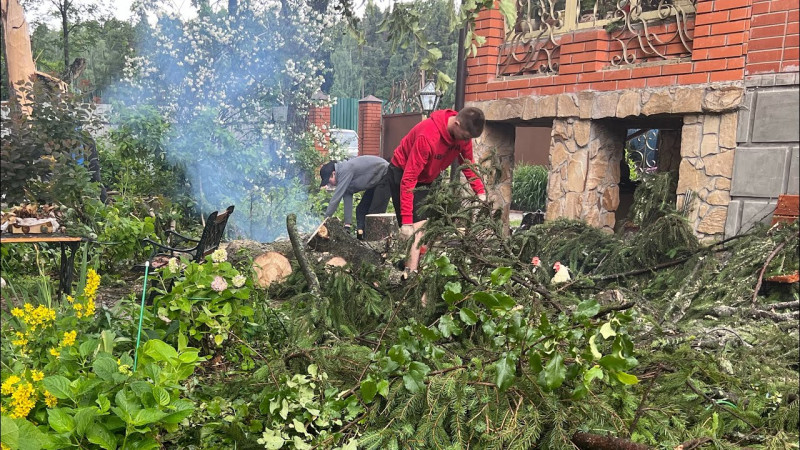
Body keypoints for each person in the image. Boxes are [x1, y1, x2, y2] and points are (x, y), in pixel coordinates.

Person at [388, 106, 487, 272]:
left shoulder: (463, 137)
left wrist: (480, 192)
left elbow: (468, 164)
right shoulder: (427, 136)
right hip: (402, 173)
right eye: (465, 137)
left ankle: (408, 267)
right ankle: (411, 279)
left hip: (427, 177)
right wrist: (406, 221)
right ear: (456, 124)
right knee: (415, 230)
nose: (465, 142)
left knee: (425, 230)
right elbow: (409, 179)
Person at [320, 155, 391, 239]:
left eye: (329, 181)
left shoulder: (344, 170)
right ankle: (361, 238)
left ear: (333, 173)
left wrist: (325, 220)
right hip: (376, 181)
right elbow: (347, 196)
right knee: (361, 210)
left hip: (385, 175)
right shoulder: (343, 176)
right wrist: (347, 225)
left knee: (374, 214)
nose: (330, 184)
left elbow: (336, 199)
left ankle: (375, 243)